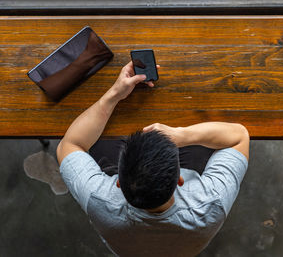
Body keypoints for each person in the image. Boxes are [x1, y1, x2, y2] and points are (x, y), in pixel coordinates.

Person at [56, 61, 250, 257]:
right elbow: (239, 136)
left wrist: (114, 94)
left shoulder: (99, 201)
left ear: (118, 183)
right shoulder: (211, 202)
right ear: (179, 180)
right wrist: (182, 135)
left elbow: (69, 145)